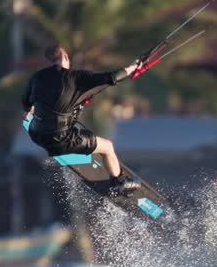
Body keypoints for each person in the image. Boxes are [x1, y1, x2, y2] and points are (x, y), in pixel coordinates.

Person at [22, 44, 142, 196]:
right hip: (59, 139)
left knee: (73, 127)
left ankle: (81, 148)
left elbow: (26, 104)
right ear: (65, 57)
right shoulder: (75, 77)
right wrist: (132, 68)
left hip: (36, 135)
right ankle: (120, 182)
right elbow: (111, 77)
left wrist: (33, 110)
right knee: (107, 147)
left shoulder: (37, 77)